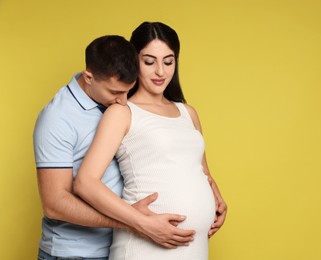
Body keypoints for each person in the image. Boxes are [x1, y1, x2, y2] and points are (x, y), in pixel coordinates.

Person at [33, 35, 196, 260]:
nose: (122, 101)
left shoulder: (117, 103)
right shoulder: (57, 118)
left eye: (127, 92)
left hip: (120, 248)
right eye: (115, 93)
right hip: (74, 253)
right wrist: (131, 221)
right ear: (89, 77)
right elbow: (55, 203)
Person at [74, 22, 227, 259]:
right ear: (134, 61)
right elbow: (85, 182)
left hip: (194, 248)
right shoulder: (123, 112)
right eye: (149, 61)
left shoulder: (188, 113)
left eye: (168, 61)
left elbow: (202, 171)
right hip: (144, 245)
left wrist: (216, 200)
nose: (160, 72)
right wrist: (142, 224)